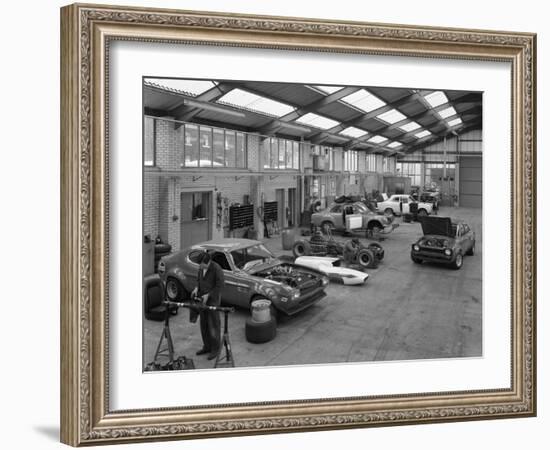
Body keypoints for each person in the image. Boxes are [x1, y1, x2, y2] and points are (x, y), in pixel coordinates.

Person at [191, 251, 225, 360]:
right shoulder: (201, 266)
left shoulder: (216, 269)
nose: (200, 267)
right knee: (204, 325)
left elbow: (220, 285)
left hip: (212, 302)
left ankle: (215, 349)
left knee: (213, 325)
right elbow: (198, 279)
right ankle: (207, 346)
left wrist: (209, 295)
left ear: (208, 262)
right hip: (202, 300)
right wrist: (197, 288)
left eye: (201, 265)